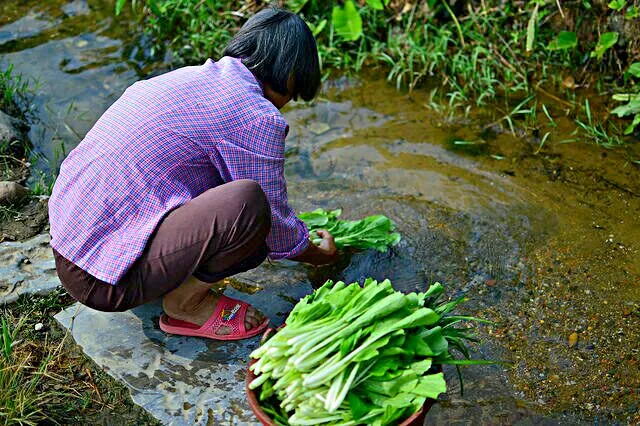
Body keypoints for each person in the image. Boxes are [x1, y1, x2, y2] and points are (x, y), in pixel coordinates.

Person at [48, 7, 337, 341]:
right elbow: (275, 225)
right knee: (249, 210)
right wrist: (317, 254)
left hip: (69, 243)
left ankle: (156, 274)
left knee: (228, 196)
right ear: (290, 77)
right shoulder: (258, 116)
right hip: (100, 284)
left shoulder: (189, 78)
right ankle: (185, 306)